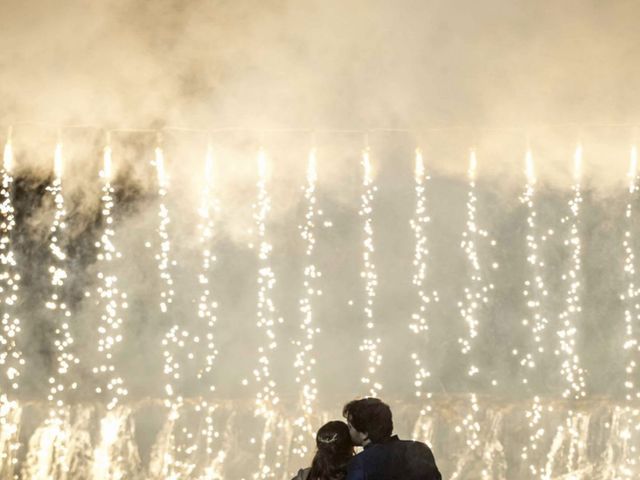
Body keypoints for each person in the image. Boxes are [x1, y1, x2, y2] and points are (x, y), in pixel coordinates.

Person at [343, 397, 441, 480]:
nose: (348, 431)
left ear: (364, 434)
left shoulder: (360, 464)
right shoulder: (420, 450)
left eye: (350, 427)